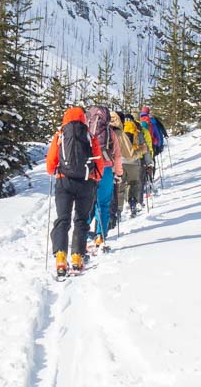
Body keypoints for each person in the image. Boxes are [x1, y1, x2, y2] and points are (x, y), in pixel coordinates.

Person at [46, 106, 103, 275]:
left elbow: (50, 164)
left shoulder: (61, 135)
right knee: (81, 220)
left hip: (64, 182)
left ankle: (61, 256)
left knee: (63, 219)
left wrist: (56, 170)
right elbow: (98, 162)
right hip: (86, 182)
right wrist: (95, 178)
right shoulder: (90, 137)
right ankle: (77, 257)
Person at [85, 106, 122, 251]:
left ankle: (82, 232)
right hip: (105, 169)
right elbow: (117, 156)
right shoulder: (110, 132)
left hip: (89, 170)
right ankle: (100, 234)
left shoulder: (85, 131)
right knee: (103, 203)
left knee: (87, 203)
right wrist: (118, 173)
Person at [114, 111, 142, 218]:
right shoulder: (137, 131)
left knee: (120, 186)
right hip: (134, 161)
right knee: (133, 183)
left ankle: (118, 210)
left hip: (120, 162)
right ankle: (133, 204)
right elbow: (143, 147)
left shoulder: (118, 132)